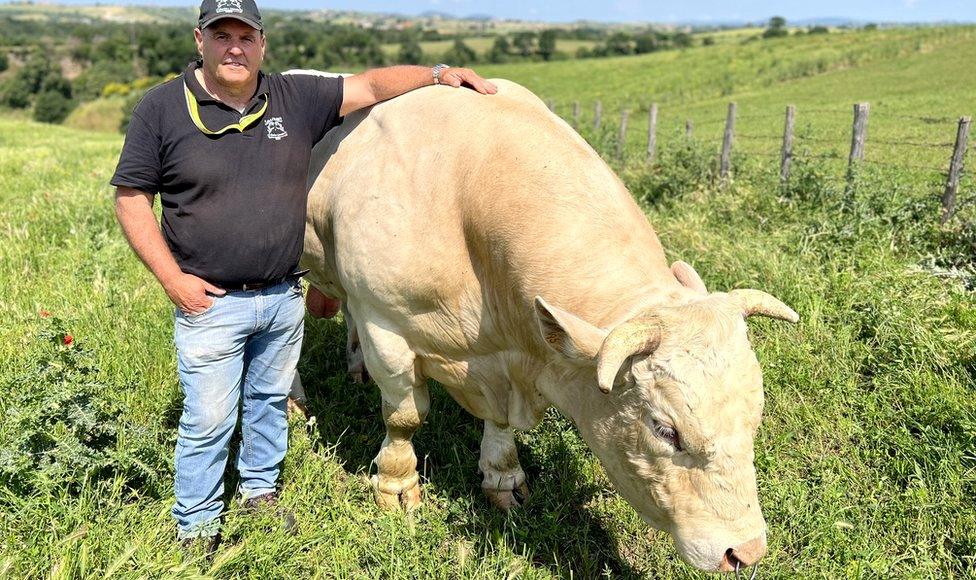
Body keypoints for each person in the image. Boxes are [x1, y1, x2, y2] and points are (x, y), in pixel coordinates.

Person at [111, 0, 496, 546]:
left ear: (262, 43)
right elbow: (131, 199)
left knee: (269, 403)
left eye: (246, 36)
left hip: (282, 296)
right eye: (222, 36)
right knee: (208, 420)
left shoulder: (293, 98)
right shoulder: (162, 109)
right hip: (210, 301)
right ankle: (195, 527)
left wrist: (437, 75)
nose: (235, 48)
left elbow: (370, 85)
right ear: (200, 41)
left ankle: (259, 496)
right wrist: (173, 281)